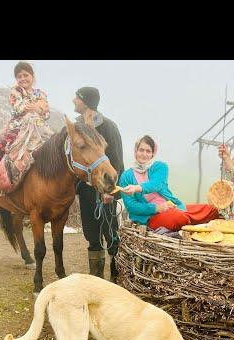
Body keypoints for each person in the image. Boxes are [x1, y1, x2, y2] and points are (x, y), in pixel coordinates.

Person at [73, 86, 124, 282]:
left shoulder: (108, 126)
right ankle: (97, 281)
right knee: (92, 236)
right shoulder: (77, 126)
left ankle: (116, 280)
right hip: (87, 190)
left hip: (106, 192)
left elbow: (117, 161)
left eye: (77, 97)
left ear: (85, 101)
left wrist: (110, 190)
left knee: (111, 235)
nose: (73, 100)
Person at [0, 61, 51, 193]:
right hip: (18, 127)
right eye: (19, 76)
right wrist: (36, 107)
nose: (22, 79)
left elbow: (46, 114)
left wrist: (36, 109)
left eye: (25, 75)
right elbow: (18, 108)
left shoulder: (42, 94)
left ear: (32, 76)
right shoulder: (15, 91)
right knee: (0, 145)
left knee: (54, 148)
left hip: (39, 129)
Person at [120, 135, 220, 231]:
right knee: (180, 218)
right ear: (135, 151)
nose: (144, 154)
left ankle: (189, 220)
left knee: (212, 210)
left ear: (152, 154)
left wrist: (137, 188)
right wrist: (156, 208)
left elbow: (156, 184)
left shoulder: (160, 167)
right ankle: (191, 222)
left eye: (148, 151)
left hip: (171, 206)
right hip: (150, 217)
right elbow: (131, 206)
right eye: (141, 150)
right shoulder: (126, 176)